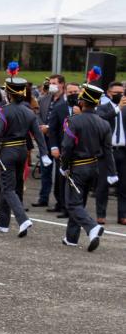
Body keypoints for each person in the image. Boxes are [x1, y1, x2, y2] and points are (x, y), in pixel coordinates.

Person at [0, 63, 51, 238]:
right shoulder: (29, 112)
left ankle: (22, 219)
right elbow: (38, 134)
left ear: (8, 94)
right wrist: (44, 153)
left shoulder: (4, 110)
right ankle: (3, 224)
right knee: (12, 187)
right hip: (22, 151)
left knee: (8, 189)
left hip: (7, 151)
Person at [60, 81, 117, 251]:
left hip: (77, 167)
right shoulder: (104, 124)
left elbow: (68, 146)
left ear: (82, 101)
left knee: (72, 204)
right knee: (79, 203)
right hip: (94, 167)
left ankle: (92, 227)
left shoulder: (73, 121)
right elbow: (108, 151)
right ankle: (71, 238)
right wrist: (112, 172)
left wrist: (64, 165)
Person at [94, 79, 125, 225]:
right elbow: (101, 120)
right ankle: (101, 214)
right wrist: (117, 108)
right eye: (116, 93)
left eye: (122, 93)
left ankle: (122, 215)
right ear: (109, 93)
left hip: (123, 152)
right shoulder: (102, 108)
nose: (120, 95)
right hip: (107, 152)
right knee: (103, 185)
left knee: (124, 186)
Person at [47, 82, 81, 217]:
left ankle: (72, 206)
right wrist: (54, 146)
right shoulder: (59, 107)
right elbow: (52, 129)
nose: (74, 94)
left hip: (79, 150)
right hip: (63, 148)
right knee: (62, 178)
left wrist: (80, 114)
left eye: (76, 92)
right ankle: (62, 205)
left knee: (74, 179)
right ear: (66, 92)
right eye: (71, 92)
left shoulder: (84, 107)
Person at [33, 74, 65, 208]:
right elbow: (38, 114)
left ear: (62, 84)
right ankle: (43, 198)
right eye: (50, 82)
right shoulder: (45, 99)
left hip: (59, 140)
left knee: (60, 172)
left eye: (54, 83)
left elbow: (66, 121)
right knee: (45, 169)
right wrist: (42, 126)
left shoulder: (66, 101)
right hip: (45, 139)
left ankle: (60, 201)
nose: (51, 85)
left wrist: (49, 128)